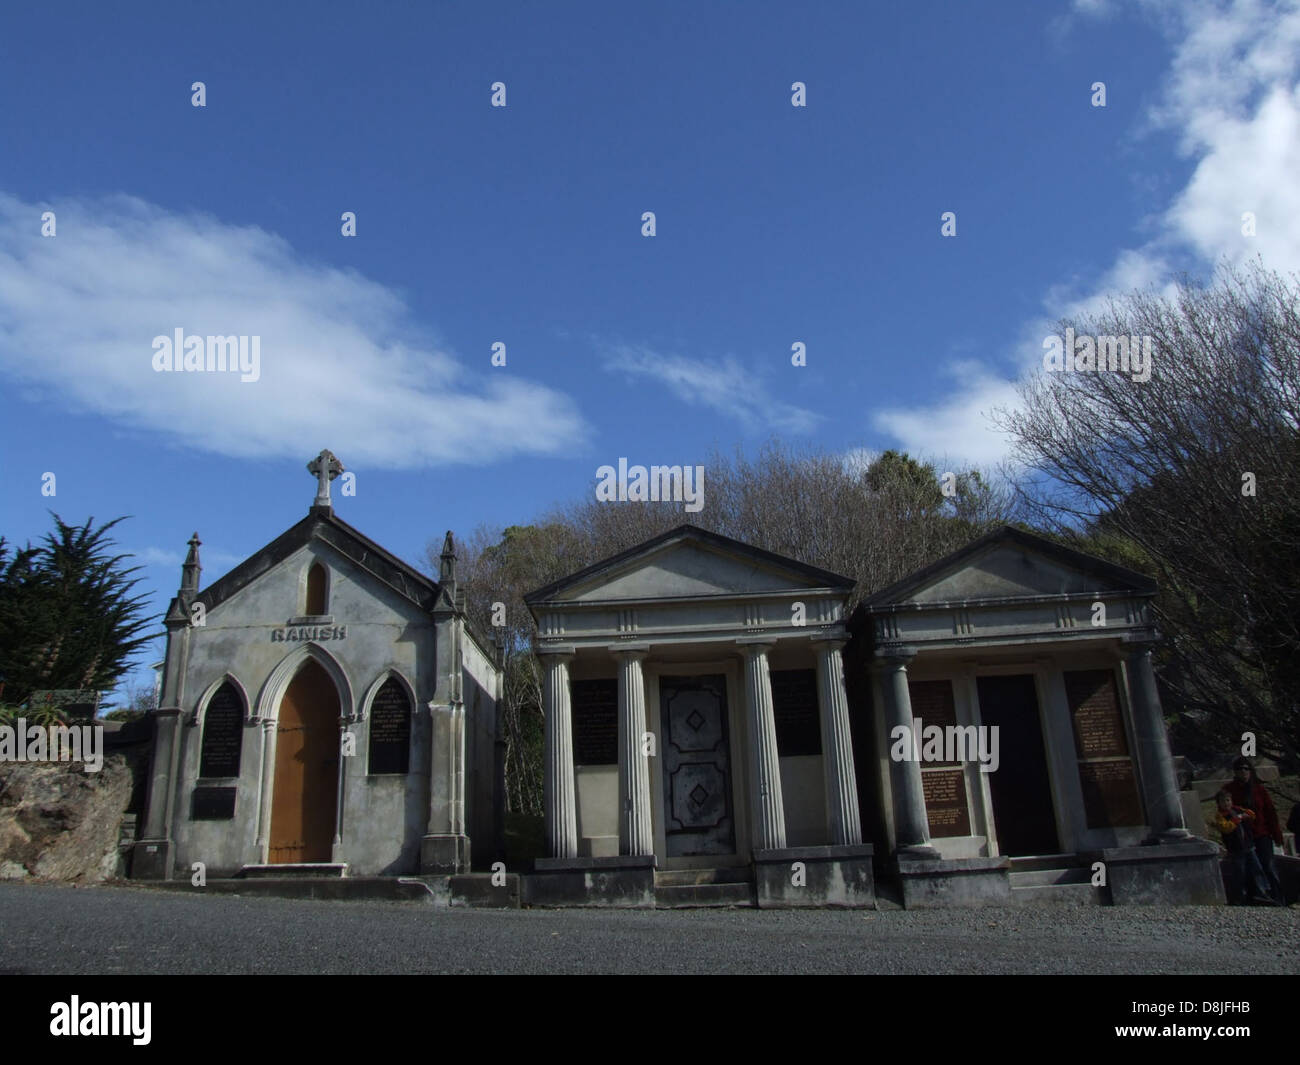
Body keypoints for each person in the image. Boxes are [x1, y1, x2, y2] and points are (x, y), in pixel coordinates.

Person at [1226, 757, 1284, 903]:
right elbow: (1223, 813)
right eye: (1239, 769)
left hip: (1261, 833)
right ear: (1235, 772)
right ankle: (1255, 899)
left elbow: (1270, 813)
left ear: (1250, 771)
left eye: (1246, 769)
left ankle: (1278, 897)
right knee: (1248, 870)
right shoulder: (1229, 791)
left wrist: (1277, 835)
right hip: (1242, 836)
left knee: (1268, 866)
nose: (1243, 772)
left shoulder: (1259, 790)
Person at [1214, 789, 1276, 904]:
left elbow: (1252, 814)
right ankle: (1241, 896)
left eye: (1228, 800)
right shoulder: (1220, 816)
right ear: (1218, 803)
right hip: (1236, 850)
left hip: (1249, 846)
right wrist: (1237, 819)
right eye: (1223, 801)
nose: (1226, 803)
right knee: (1240, 873)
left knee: (1257, 869)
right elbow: (1226, 828)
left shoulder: (1237, 810)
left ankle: (1263, 892)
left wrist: (1246, 814)